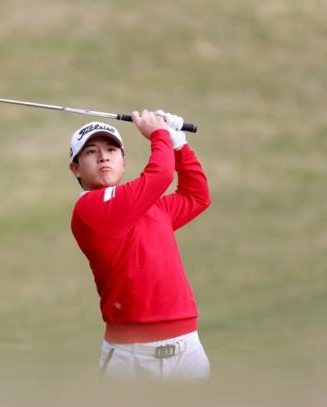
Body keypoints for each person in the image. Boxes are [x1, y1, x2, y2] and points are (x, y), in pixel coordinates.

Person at [68, 109, 212, 382]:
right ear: (75, 168)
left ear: (124, 162)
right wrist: (159, 134)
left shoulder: (153, 207)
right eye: (90, 152)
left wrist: (179, 144)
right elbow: (160, 176)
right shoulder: (88, 209)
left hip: (188, 351)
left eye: (112, 150)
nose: (103, 157)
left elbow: (197, 196)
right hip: (130, 358)